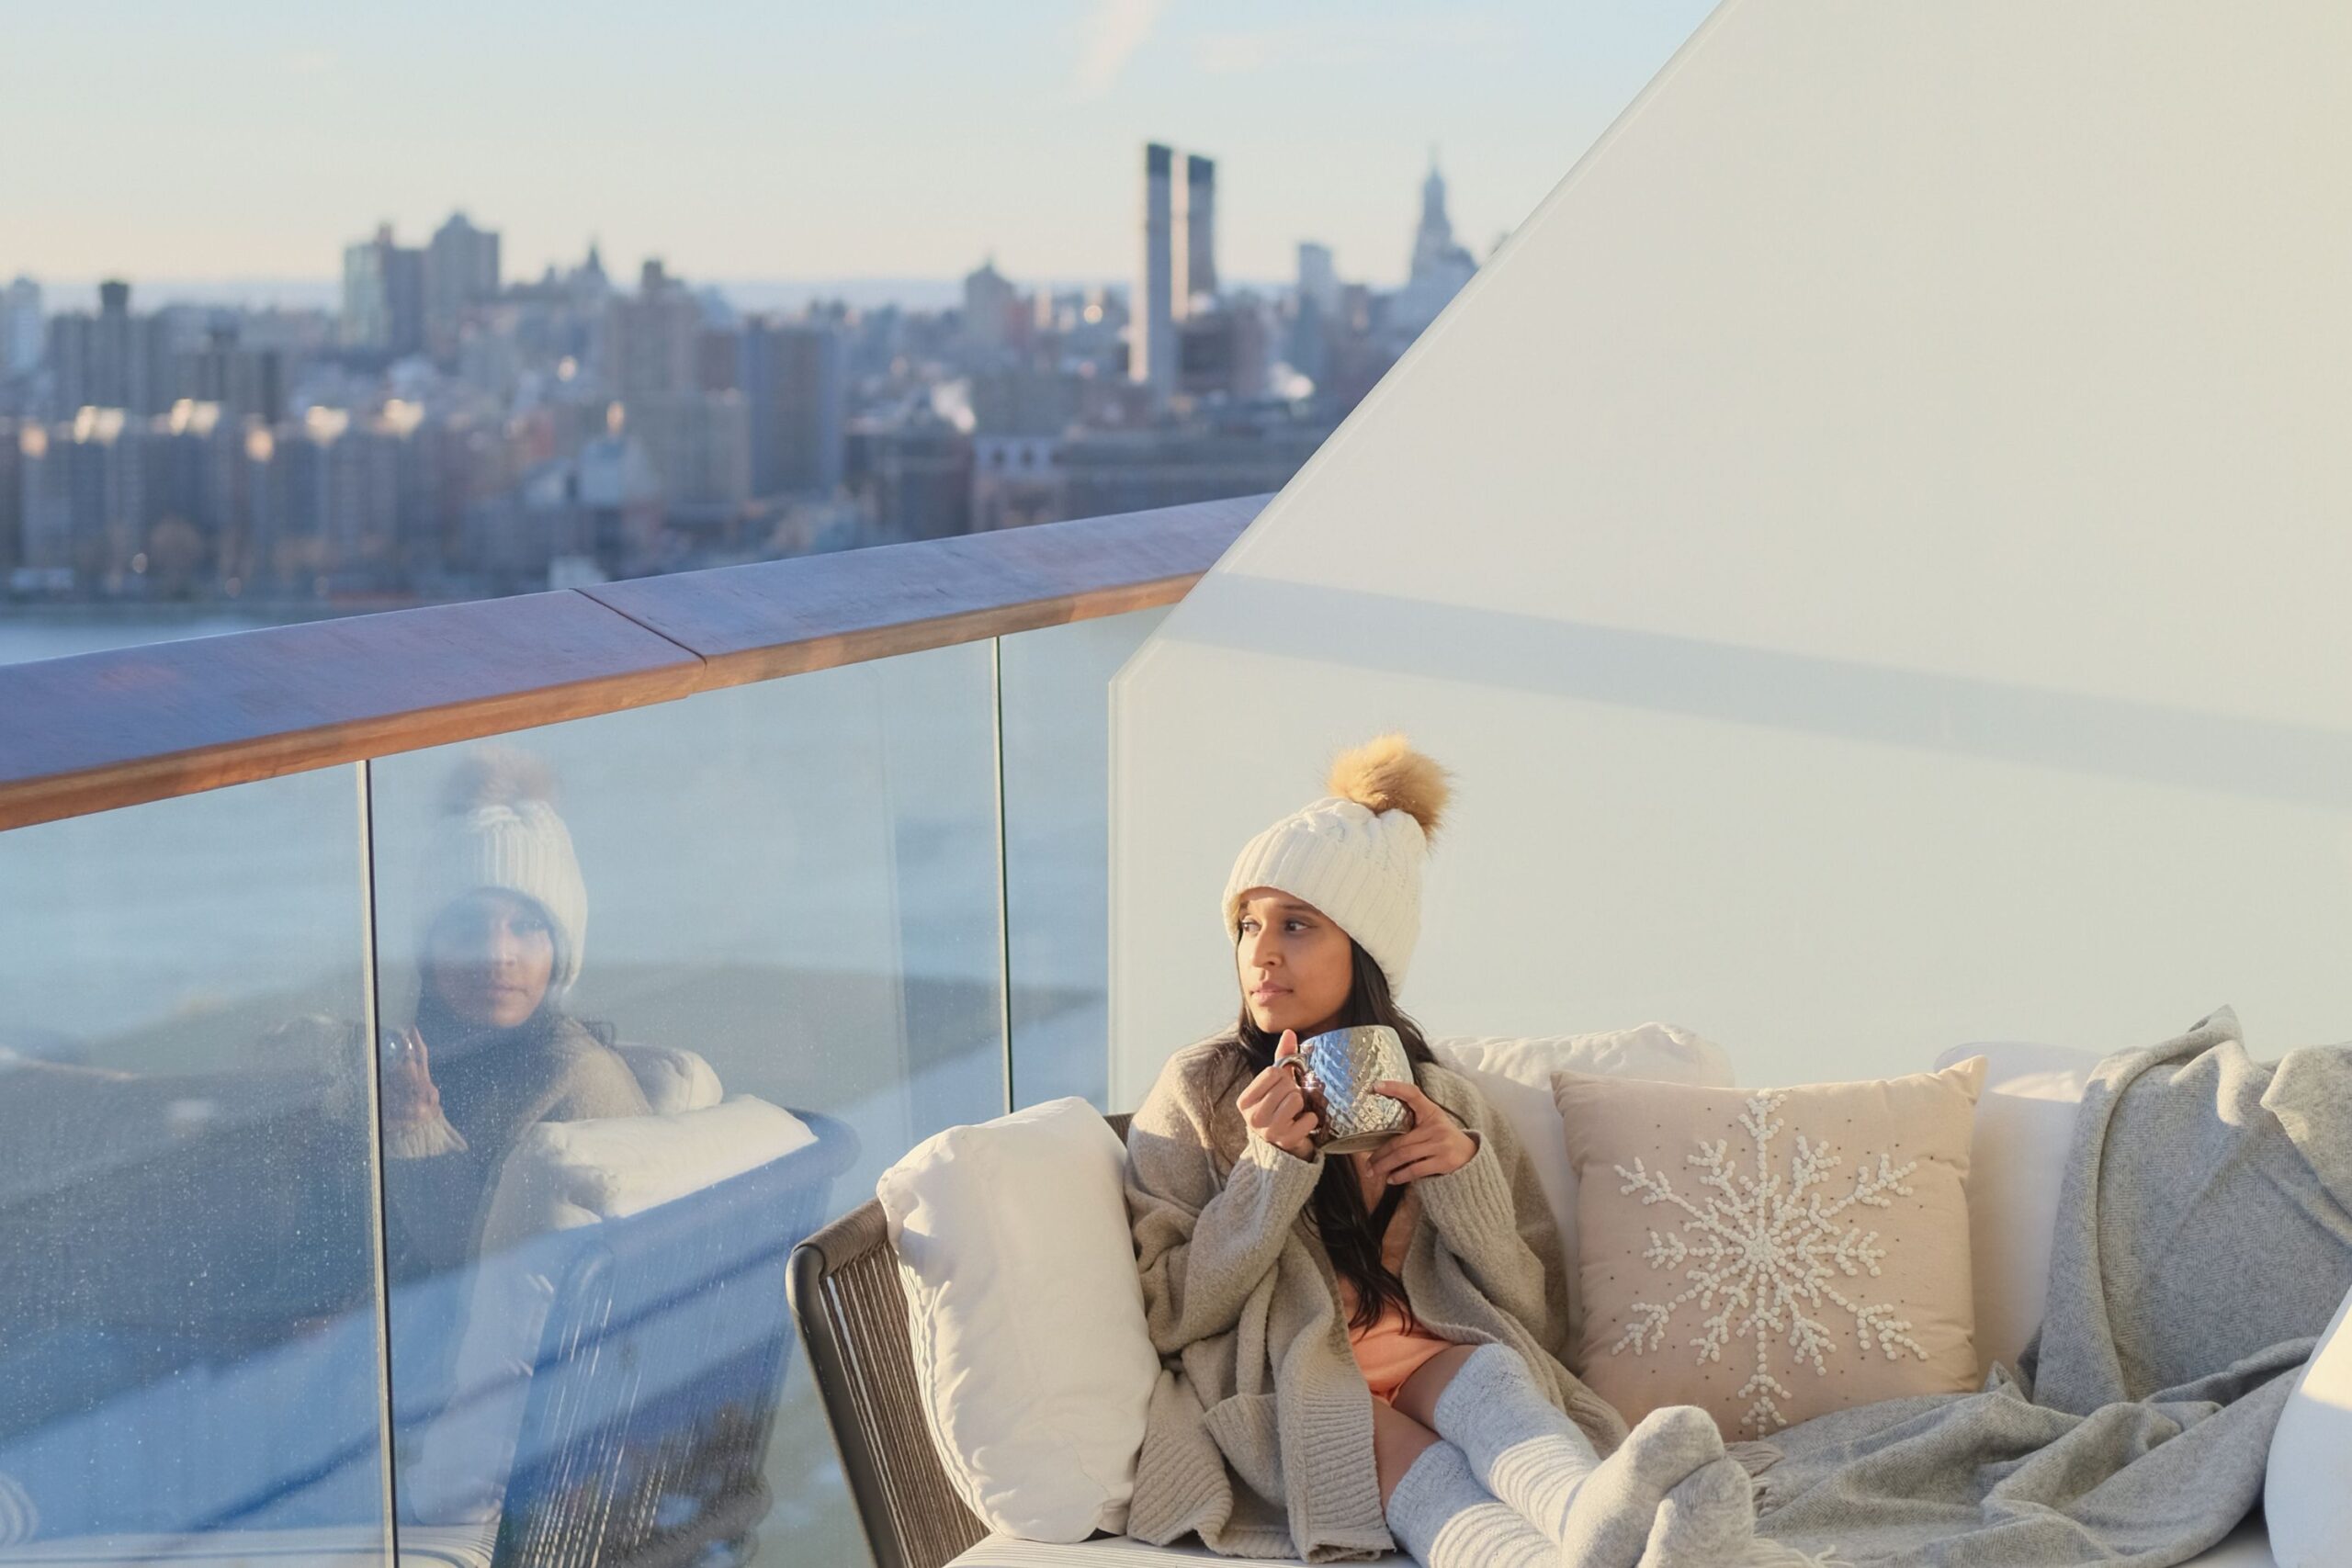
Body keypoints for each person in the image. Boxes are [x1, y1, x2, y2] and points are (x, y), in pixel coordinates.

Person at [1121, 734, 1811, 1567]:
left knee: (1495, 1380)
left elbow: (1535, 1316)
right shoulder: (1200, 1092)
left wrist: (1465, 1179)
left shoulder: (1442, 1101)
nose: (1260, 953)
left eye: (1296, 924)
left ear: (1364, 950)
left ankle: (1595, 1515)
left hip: (1430, 1352)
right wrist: (1269, 1168)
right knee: (1396, 1451)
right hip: (1290, 1373)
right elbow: (1171, 1313)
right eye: (1247, 924)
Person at [379, 747, 650, 1280]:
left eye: (526, 927)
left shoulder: (578, 1078)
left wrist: (415, 1126)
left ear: (560, 954)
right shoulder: (428, 1058)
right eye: (466, 928)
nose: (497, 954)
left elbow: (487, 1275)